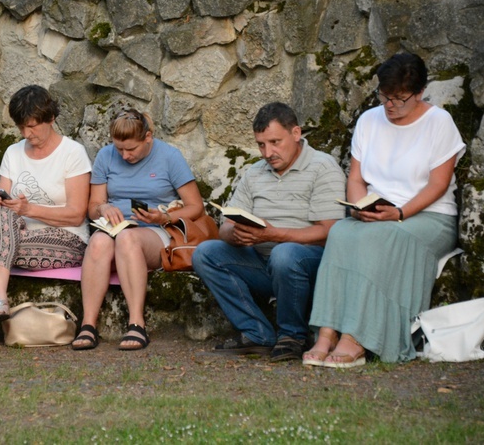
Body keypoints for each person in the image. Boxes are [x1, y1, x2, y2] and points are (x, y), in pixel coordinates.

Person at [304, 53, 465, 367]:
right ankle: (326, 333)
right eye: (384, 96)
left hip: (428, 216)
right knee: (340, 232)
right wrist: (357, 208)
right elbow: (356, 177)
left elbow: (438, 185)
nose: (390, 105)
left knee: (380, 237)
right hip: (378, 212)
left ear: (419, 94)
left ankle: (356, 338)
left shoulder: (438, 122)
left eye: (399, 98)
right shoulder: (369, 120)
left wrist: (401, 213)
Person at [192, 102, 346, 362]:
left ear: (296, 133)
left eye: (275, 142)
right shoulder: (255, 172)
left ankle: (293, 336)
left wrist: (273, 235)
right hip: (263, 259)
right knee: (206, 252)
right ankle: (257, 334)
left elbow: (330, 232)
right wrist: (236, 234)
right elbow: (225, 227)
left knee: (285, 254)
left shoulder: (322, 166)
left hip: (308, 262)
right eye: (261, 144)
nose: (267, 152)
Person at [0, 85, 91, 350]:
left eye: (33, 126)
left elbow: (76, 214)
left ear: (51, 118)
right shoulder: (14, 153)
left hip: (68, 240)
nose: (27, 134)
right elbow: (0, 212)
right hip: (14, 237)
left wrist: (28, 209)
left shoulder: (72, 153)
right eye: (21, 127)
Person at [71, 107, 205, 351]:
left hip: (156, 232)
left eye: (131, 149)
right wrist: (103, 209)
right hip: (114, 229)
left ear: (148, 137)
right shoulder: (105, 156)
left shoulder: (169, 156)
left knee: (128, 238)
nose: (124, 156)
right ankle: (88, 325)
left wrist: (163, 216)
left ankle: (136, 323)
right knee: (99, 241)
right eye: (119, 149)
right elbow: (92, 207)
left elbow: (196, 207)